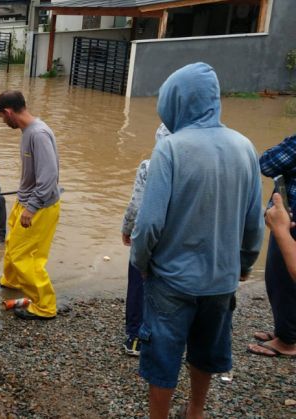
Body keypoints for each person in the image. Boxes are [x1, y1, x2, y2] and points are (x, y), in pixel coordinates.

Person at [130, 62, 264, 419]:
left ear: (176, 101)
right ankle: (197, 411)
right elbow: (254, 224)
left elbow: (149, 225)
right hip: (221, 280)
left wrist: (141, 264)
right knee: (206, 349)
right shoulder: (245, 147)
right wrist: (245, 265)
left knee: (163, 353)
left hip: (171, 281)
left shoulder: (171, 149)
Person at [0, 90, 61, 321]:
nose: (3, 122)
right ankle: (12, 281)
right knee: (13, 244)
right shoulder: (28, 131)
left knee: (26, 256)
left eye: (2, 117)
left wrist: (31, 207)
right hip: (26, 201)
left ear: (9, 112)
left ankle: (44, 306)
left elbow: (49, 176)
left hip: (39, 207)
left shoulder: (38, 134)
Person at [120, 123, 170, 356]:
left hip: (150, 238)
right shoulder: (200, 166)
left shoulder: (149, 168)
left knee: (139, 284)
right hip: (179, 241)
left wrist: (127, 229)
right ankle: (168, 338)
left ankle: (135, 337)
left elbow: (136, 205)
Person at [248, 133, 296, 358]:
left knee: (282, 280)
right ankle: (284, 332)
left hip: (289, 223)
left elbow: (266, 163)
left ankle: (287, 341)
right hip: (287, 219)